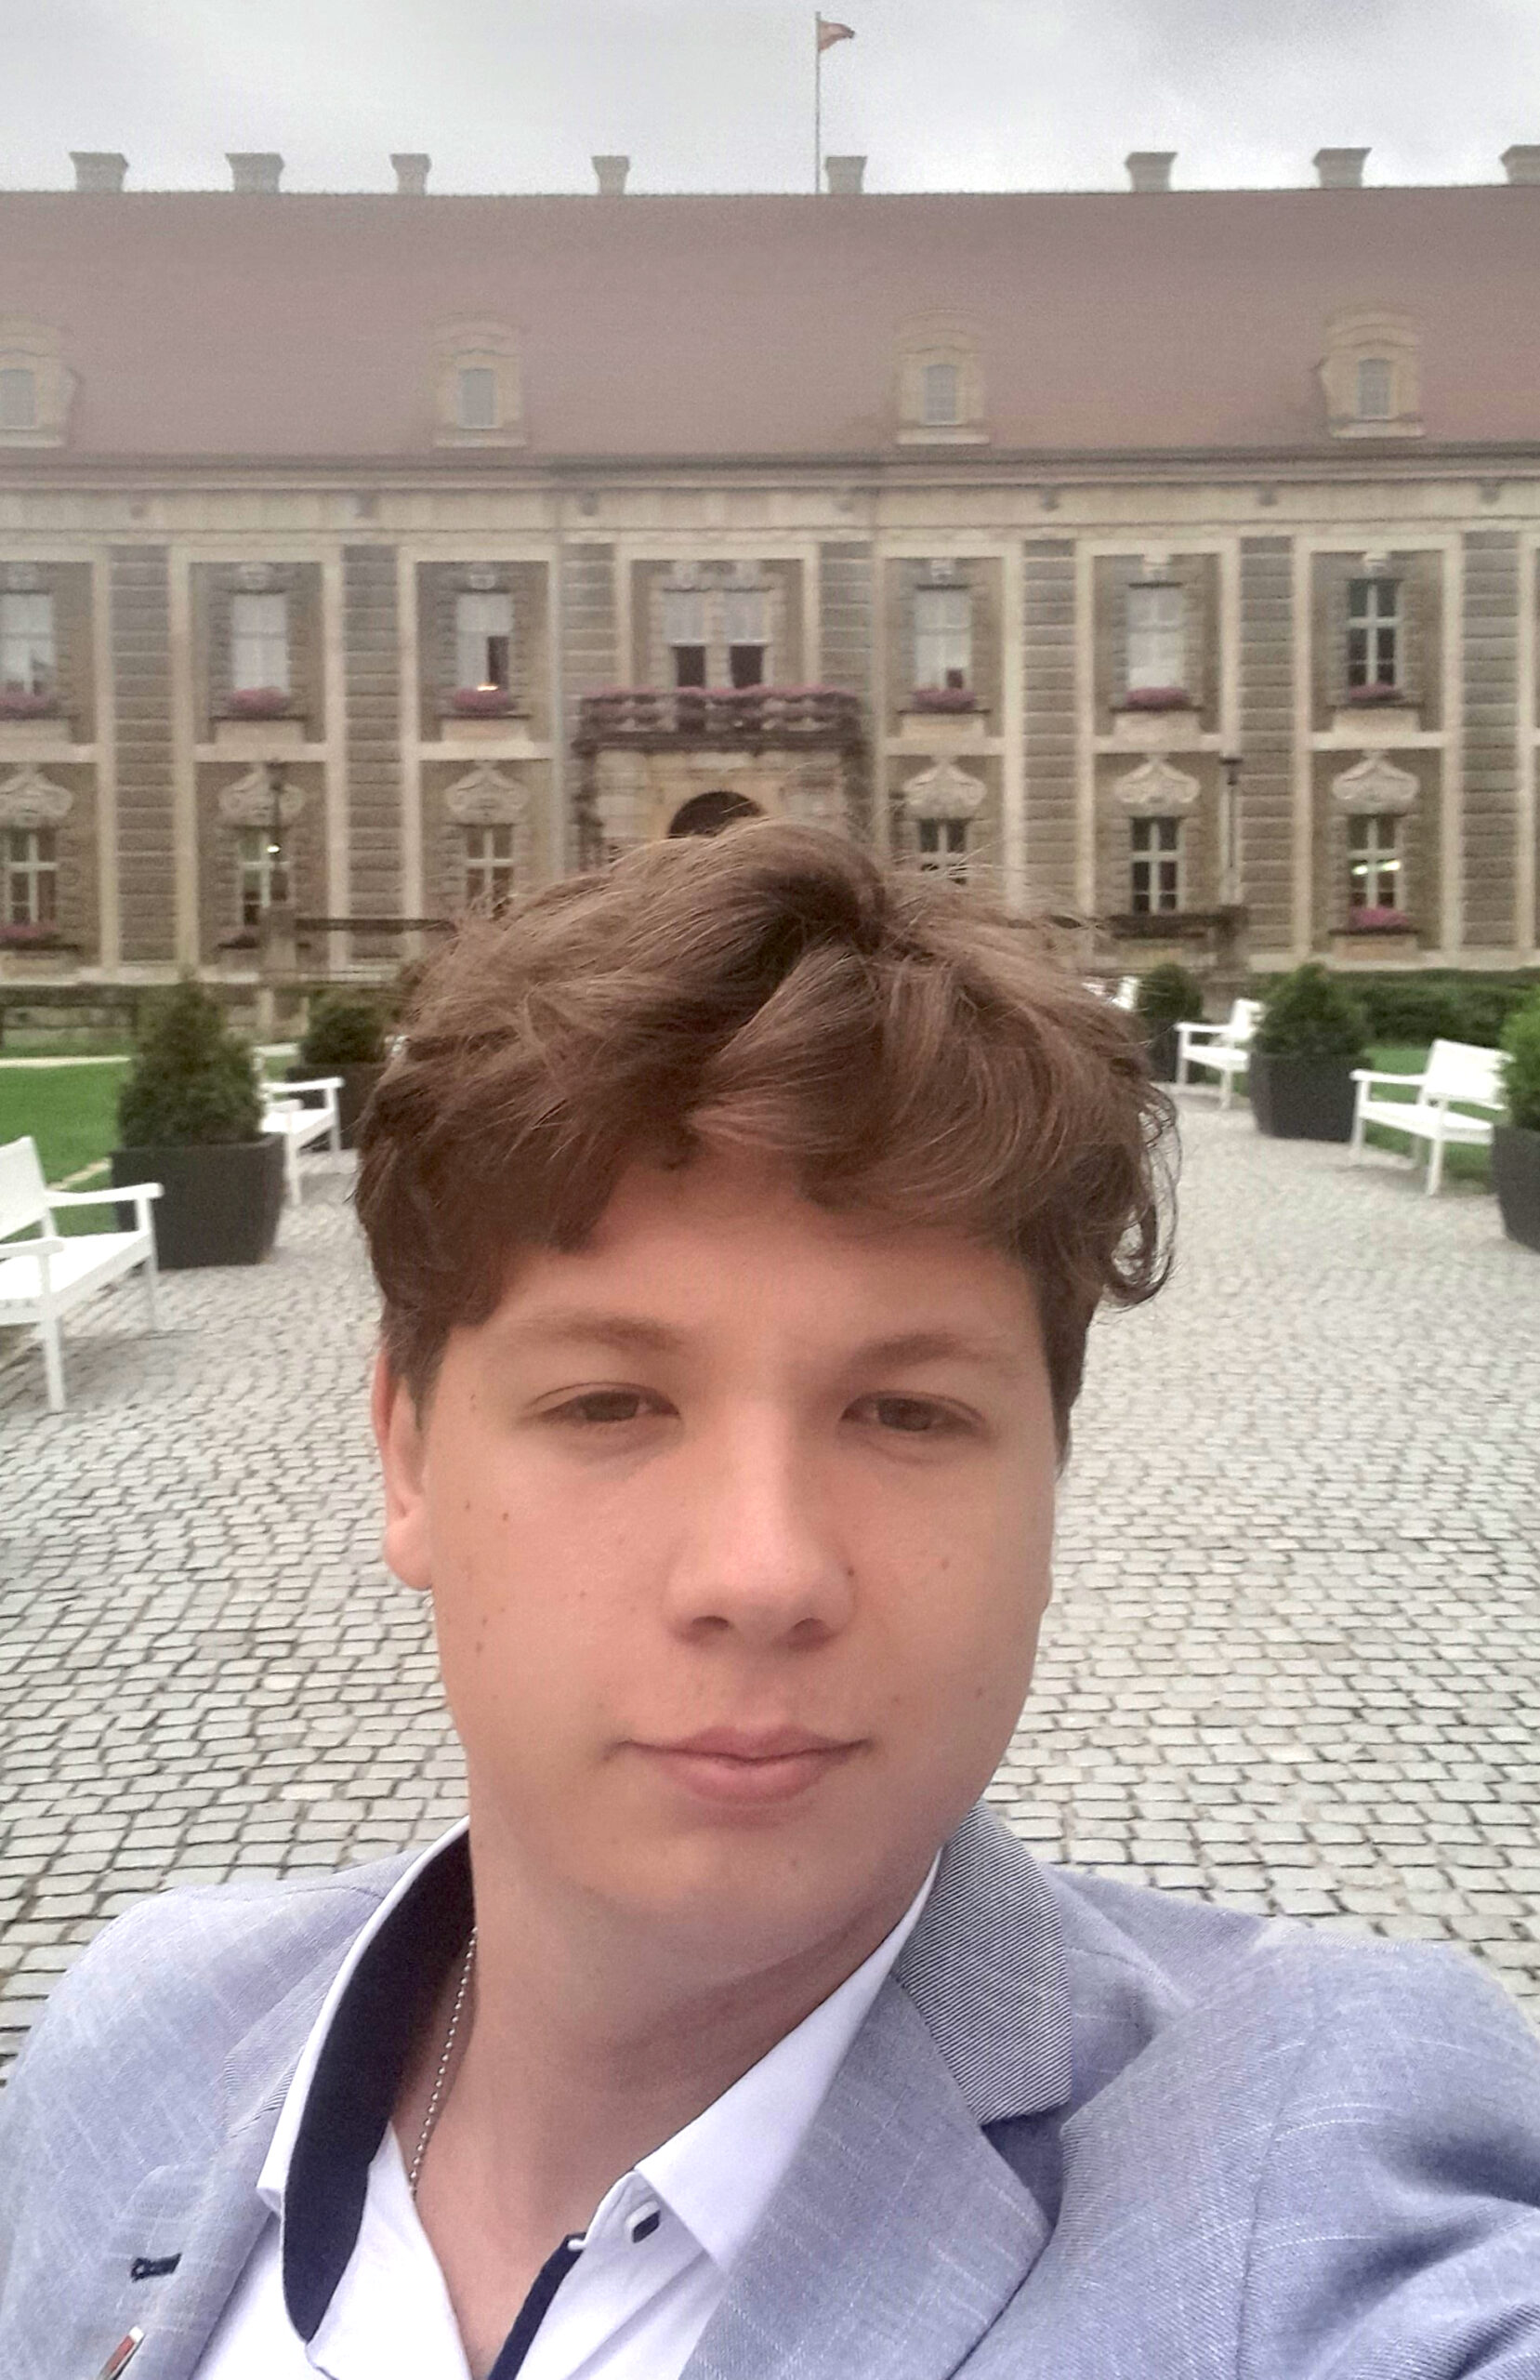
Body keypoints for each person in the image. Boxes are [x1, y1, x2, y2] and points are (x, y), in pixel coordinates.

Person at [2, 823, 1537, 2380]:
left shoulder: (1307, 2156)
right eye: (608, 1402)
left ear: (1050, 1473)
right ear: (406, 1453)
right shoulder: (134, 2038)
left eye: (907, 1412)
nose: (762, 1574)